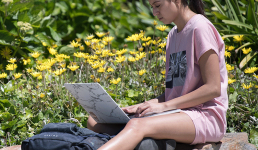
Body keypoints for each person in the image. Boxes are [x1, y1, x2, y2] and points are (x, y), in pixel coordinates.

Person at [87, 0, 228, 149]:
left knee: (137, 125)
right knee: (95, 121)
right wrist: (143, 106)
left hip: (206, 116)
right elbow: (176, 90)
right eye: (152, 7)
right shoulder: (174, 35)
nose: (154, 12)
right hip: (179, 112)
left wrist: (165, 106)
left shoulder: (200, 28)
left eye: (158, 5)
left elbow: (213, 88)